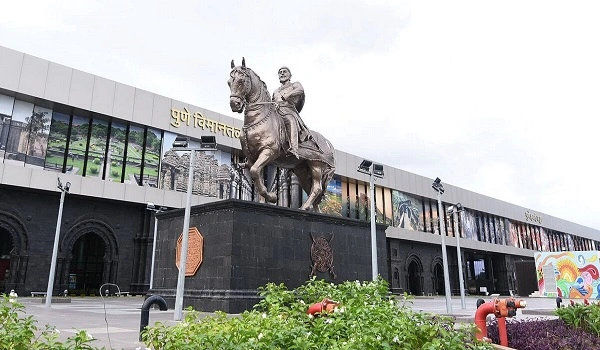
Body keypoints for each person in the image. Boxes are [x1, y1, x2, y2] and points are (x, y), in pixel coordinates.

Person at [272, 66, 312, 158]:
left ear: (290, 75)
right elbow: (272, 102)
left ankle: (294, 148)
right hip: (276, 112)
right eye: (280, 72)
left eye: (285, 71)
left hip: (289, 110)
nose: (282, 73)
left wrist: (288, 95)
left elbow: (301, 90)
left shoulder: (295, 84)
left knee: (290, 120)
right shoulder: (275, 91)